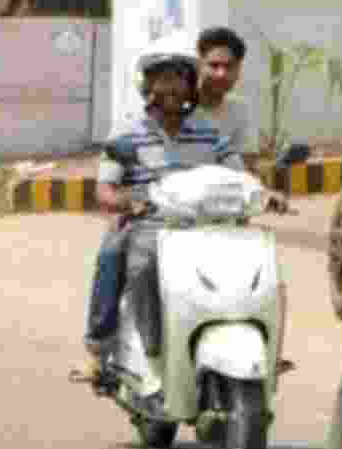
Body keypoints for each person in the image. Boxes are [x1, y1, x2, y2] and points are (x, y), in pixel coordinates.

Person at [81, 31, 245, 413]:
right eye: (162, 77)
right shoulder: (126, 132)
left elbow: (239, 176)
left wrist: (266, 194)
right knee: (122, 256)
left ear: (191, 85)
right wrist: (128, 202)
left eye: (179, 77)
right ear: (147, 84)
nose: (171, 86)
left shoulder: (210, 132)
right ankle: (115, 351)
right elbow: (104, 190)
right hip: (150, 226)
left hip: (204, 227)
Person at [195, 26, 258, 172]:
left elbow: (247, 170)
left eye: (229, 66)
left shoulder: (241, 110)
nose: (221, 74)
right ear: (199, 65)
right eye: (214, 65)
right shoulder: (178, 109)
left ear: (239, 70)